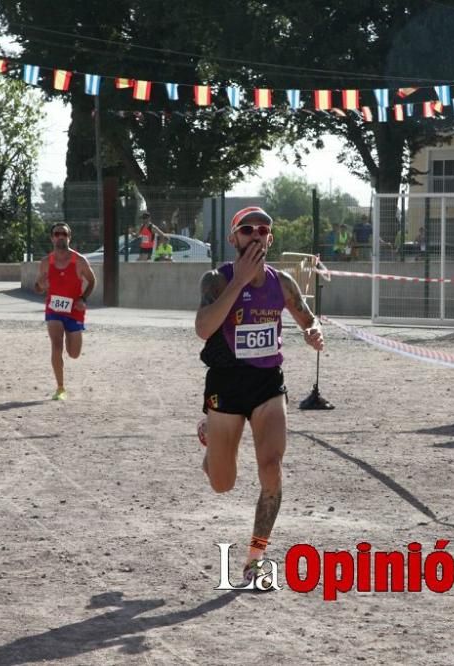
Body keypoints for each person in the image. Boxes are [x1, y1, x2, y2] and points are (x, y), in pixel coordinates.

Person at [194, 206, 325, 587]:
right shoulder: (216, 280)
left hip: (268, 383)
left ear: (270, 238)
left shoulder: (282, 283)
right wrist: (240, 282)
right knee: (223, 482)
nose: (255, 235)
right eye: (247, 229)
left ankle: (255, 558)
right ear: (234, 238)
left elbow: (307, 317)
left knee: (271, 467)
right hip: (226, 383)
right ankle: (211, 444)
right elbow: (203, 329)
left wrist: (313, 332)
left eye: (262, 230)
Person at [34, 222, 97, 401]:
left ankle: (62, 383)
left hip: (74, 311)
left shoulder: (79, 261)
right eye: (57, 233)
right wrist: (40, 286)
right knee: (56, 345)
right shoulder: (46, 262)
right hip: (53, 308)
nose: (60, 236)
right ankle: (60, 388)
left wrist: (83, 298)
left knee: (74, 353)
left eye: (64, 234)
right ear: (52, 238)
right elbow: (37, 287)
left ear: (69, 237)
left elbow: (92, 281)